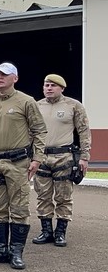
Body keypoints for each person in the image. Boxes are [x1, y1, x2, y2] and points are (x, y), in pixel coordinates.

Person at [0, 62, 47, 270]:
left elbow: (39, 131)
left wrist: (37, 158)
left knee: (19, 208)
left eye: (4, 74)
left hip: (17, 163)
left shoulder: (26, 101)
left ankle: (16, 252)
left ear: (15, 78)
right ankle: (0, 249)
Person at [33, 74, 90, 247]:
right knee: (42, 196)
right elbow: (29, 131)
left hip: (64, 157)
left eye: (53, 85)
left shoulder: (73, 105)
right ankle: (46, 231)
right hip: (42, 156)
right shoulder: (37, 106)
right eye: (46, 85)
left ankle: (60, 232)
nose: (49, 88)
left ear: (62, 88)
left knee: (63, 197)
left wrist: (84, 157)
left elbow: (84, 131)